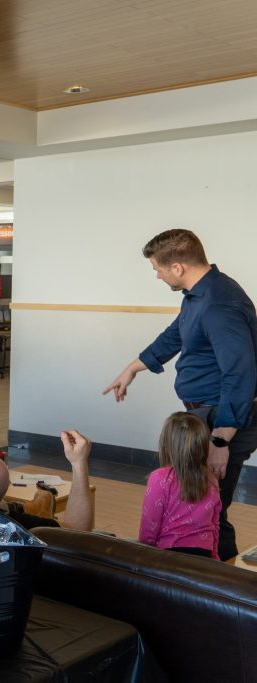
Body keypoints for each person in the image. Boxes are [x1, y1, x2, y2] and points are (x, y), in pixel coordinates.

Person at [103, 228, 257, 560]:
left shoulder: (219, 304)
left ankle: (223, 589)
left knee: (210, 510)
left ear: (178, 267)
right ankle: (215, 584)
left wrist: (220, 440)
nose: (157, 275)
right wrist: (134, 366)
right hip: (207, 416)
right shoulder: (201, 294)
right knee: (206, 507)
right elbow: (175, 335)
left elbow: (241, 373)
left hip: (221, 420)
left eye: (158, 268)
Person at [139, 412, 221, 559]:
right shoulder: (211, 479)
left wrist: (144, 555)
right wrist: (215, 558)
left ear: (166, 444)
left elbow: (149, 525)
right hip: (204, 555)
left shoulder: (159, 478)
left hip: (169, 556)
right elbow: (214, 524)